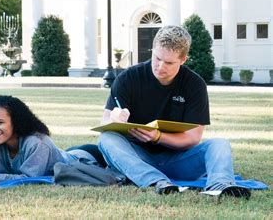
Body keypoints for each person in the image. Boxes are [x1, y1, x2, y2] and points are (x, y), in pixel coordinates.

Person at [98, 25, 251, 198]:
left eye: (169, 62)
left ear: (183, 59)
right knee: (107, 138)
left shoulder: (195, 85)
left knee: (219, 144)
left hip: (179, 161)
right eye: (157, 58)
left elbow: (193, 138)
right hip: (137, 158)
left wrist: (157, 136)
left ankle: (220, 185)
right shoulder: (128, 78)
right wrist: (113, 119)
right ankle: (158, 182)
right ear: (153, 50)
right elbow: (103, 123)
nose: (160, 67)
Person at [0, 95, 97, 182]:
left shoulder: (37, 143)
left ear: (16, 122)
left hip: (86, 156)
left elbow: (29, 179)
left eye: (0, 122)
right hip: (64, 152)